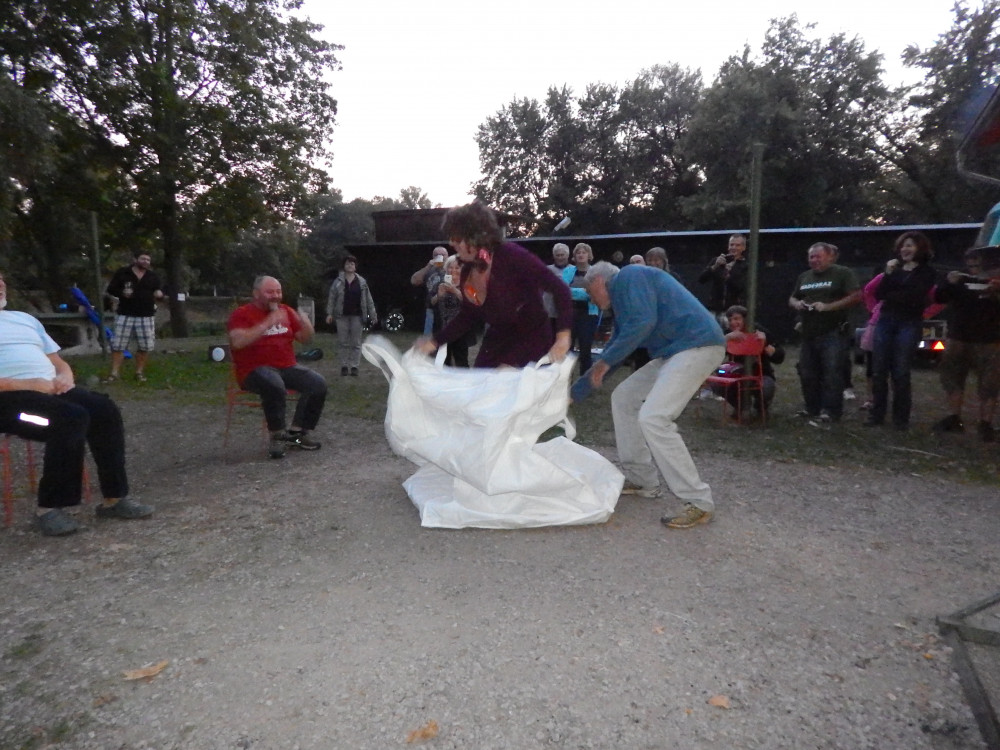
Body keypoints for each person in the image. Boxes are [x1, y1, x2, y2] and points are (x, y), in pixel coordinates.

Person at [570, 262, 725, 530]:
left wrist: (605, 362)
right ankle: (643, 479)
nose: (591, 299)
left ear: (598, 281)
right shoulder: (623, 306)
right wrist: (574, 395)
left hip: (698, 344)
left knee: (654, 417)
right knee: (623, 397)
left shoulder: (630, 276)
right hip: (673, 353)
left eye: (589, 292)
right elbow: (616, 352)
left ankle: (698, 501)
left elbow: (642, 323)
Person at [0, 271, 153, 536]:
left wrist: (65, 376)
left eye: (1, 279)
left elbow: (57, 361)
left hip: (51, 389)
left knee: (103, 409)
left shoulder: (24, 320)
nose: (1, 284)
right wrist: (30, 384)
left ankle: (114, 498)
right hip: (10, 403)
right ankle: (49, 508)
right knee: (68, 418)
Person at [414, 202, 572, 368]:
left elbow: (560, 290)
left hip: (531, 338)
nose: (452, 243)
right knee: (479, 381)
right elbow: (468, 315)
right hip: (497, 340)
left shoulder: (512, 256)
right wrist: (434, 342)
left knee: (507, 380)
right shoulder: (467, 270)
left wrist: (563, 337)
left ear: (475, 237)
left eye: (457, 238)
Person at [228, 276, 327, 459]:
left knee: (317, 383)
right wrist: (268, 322)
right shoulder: (241, 314)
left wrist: (306, 324)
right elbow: (237, 342)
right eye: (270, 292)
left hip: (286, 367)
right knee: (273, 383)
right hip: (253, 370)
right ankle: (277, 435)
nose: (275, 296)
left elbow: (305, 339)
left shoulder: (286, 311)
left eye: (278, 292)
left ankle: (297, 433)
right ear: (256, 294)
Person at [864, 232, 937, 430]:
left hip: (909, 322)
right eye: (903, 246)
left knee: (901, 371)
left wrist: (894, 294)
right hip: (886, 321)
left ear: (920, 248)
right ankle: (877, 415)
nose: (905, 249)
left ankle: (900, 419)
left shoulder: (927, 272)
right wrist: (888, 274)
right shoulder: (893, 270)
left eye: (910, 245)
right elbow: (880, 294)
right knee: (879, 370)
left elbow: (916, 295)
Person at [931, 247, 1000, 442]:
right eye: (970, 265)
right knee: (952, 377)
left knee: (989, 383)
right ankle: (954, 417)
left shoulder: (995, 280)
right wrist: (948, 283)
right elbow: (939, 297)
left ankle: (985, 423)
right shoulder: (960, 280)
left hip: (990, 339)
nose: (973, 269)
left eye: (977, 265)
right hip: (959, 337)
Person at [788, 242, 861, 423]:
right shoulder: (804, 276)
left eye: (818, 256)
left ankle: (831, 411)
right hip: (809, 332)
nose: (814, 260)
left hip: (833, 331)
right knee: (807, 372)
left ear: (830, 257)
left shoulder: (842, 273)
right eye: (811, 257)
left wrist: (828, 307)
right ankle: (811, 408)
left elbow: (856, 296)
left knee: (832, 372)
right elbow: (793, 297)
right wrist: (797, 304)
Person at [712, 305, 785, 417]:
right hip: (736, 374)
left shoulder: (759, 331)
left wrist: (766, 346)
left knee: (767, 387)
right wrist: (726, 339)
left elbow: (779, 357)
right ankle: (740, 406)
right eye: (730, 320)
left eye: (736, 319)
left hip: (761, 373)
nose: (733, 323)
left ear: (745, 320)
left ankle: (761, 406)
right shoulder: (728, 334)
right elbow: (715, 354)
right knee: (716, 383)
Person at [104, 252, 164, 382]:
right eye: (143, 258)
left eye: (148, 260)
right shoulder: (123, 273)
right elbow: (111, 289)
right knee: (118, 345)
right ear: (135, 259)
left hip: (146, 315)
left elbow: (158, 291)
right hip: (125, 314)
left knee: (145, 346)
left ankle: (139, 373)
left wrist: (159, 294)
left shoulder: (152, 276)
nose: (146, 261)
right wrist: (122, 293)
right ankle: (114, 374)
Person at [325, 255, 377, 376]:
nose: (350, 265)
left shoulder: (362, 282)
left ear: (355, 267)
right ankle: (344, 366)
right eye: (348, 263)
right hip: (341, 316)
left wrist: (373, 314)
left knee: (356, 343)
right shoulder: (338, 282)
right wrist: (329, 313)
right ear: (344, 266)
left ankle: (354, 366)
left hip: (357, 316)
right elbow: (332, 298)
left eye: (352, 264)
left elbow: (368, 299)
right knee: (342, 342)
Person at [431, 255, 473, 367]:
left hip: (460, 328)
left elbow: (472, 301)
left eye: (457, 267)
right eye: (450, 267)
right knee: (443, 360)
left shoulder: (467, 284)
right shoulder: (441, 283)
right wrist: (439, 296)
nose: (453, 270)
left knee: (461, 361)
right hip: (443, 327)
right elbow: (431, 302)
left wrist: (455, 290)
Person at [564, 243, 600, 375]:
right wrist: (584, 292)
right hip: (570, 313)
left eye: (583, 252)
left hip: (588, 315)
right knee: (567, 349)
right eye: (578, 252)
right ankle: (565, 379)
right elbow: (563, 290)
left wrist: (574, 292)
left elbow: (595, 293)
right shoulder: (568, 271)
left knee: (585, 349)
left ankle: (584, 380)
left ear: (589, 255)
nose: (580, 255)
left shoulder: (596, 272)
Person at [698, 234, 748, 314]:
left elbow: (741, 287)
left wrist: (727, 274)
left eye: (737, 245)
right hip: (714, 308)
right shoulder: (717, 260)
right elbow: (701, 279)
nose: (734, 247)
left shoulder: (745, 265)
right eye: (731, 245)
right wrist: (715, 266)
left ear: (743, 248)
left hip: (733, 311)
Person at [410, 246, 449, 335]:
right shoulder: (429, 270)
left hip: (448, 309)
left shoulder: (453, 269)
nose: (440, 257)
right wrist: (428, 266)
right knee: (429, 338)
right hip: (432, 309)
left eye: (442, 255)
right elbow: (414, 281)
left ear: (447, 256)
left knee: (448, 337)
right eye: (436, 255)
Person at [543, 243, 572, 322]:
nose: (560, 258)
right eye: (557, 255)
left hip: (567, 312)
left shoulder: (574, 270)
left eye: (562, 255)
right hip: (549, 313)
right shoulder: (546, 270)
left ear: (567, 255)